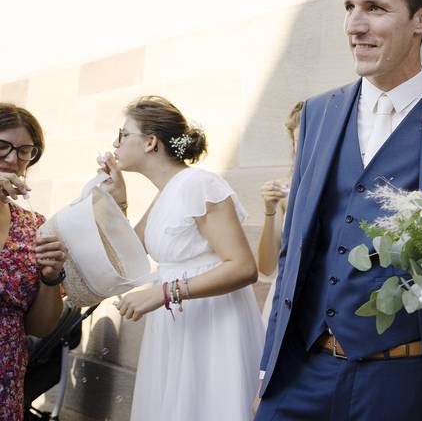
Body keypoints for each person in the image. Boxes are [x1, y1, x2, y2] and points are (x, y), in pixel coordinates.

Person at [254, 0, 422, 421]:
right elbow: (295, 252)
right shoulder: (317, 115)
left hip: (403, 383)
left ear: (421, 18)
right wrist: (268, 370)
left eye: (375, 9)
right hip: (302, 374)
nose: (354, 25)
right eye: (350, 7)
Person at [100, 96, 263, 421]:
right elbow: (128, 258)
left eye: (123, 134)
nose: (115, 144)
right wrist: (119, 201)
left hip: (210, 325)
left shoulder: (198, 183)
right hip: (178, 324)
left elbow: (244, 267)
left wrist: (163, 292)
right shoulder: (168, 191)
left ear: (150, 142)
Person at [0, 104, 67, 420]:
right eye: (3, 146)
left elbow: (39, 327)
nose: (13, 159)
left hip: (6, 380)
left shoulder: (34, 225)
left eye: (25, 151)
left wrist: (51, 277)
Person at [257, 101, 303, 326]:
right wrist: (269, 210)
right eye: (297, 142)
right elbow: (266, 267)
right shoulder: (285, 191)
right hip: (286, 295)